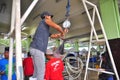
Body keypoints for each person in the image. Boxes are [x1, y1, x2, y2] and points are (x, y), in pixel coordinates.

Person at [30, 11, 68, 80]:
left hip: (34, 48)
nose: (51, 18)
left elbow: (54, 36)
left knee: (37, 71)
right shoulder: (44, 21)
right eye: (50, 16)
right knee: (41, 71)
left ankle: (34, 78)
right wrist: (62, 33)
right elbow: (57, 27)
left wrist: (62, 34)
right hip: (38, 49)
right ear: (46, 16)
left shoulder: (44, 29)